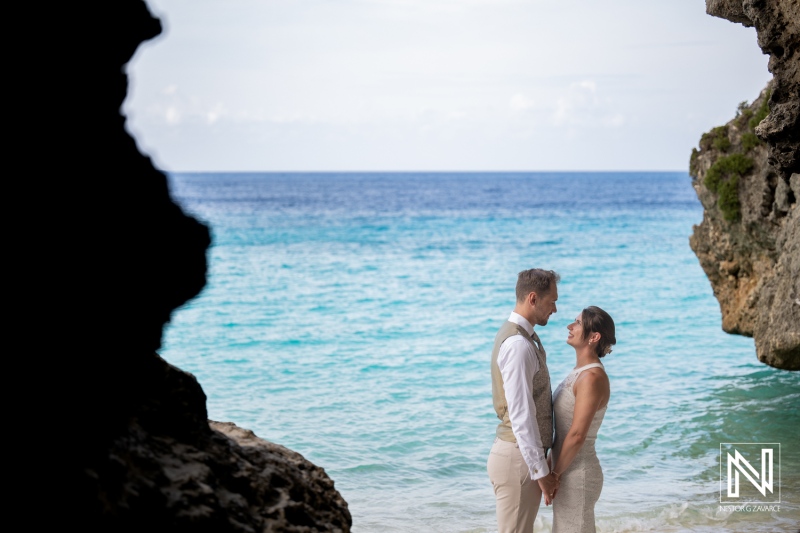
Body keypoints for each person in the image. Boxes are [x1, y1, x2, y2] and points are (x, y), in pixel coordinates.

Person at [487, 268, 560, 533]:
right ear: (533, 298)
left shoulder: (523, 337)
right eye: (552, 301)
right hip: (517, 460)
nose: (554, 309)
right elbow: (521, 415)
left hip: (522, 458)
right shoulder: (518, 345)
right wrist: (540, 472)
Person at [549, 306, 616, 533]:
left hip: (577, 475)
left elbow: (577, 434)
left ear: (594, 337)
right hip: (567, 471)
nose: (570, 326)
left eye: (577, 323)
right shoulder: (581, 371)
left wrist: (554, 475)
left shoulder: (592, 377)